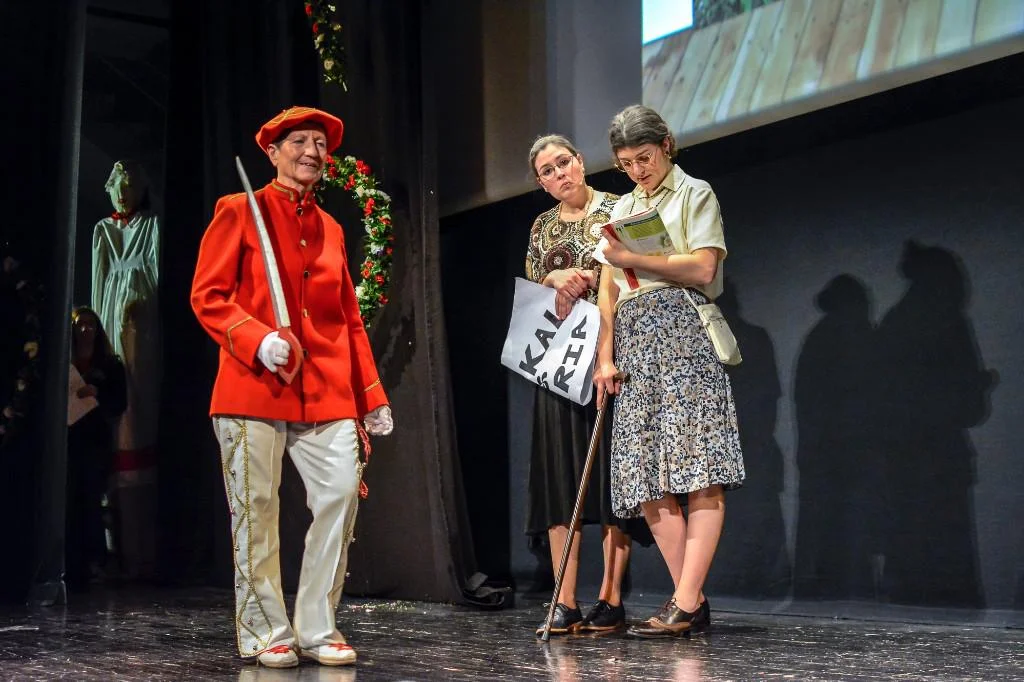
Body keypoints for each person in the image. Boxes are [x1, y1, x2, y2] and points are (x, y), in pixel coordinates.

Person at [190, 106, 394, 668]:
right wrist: (256, 339)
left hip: (325, 388)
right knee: (256, 510)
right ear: (273, 152)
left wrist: (370, 393)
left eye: (320, 144)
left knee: (340, 495)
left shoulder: (330, 228)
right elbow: (208, 295)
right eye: (300, 141)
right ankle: (266, 631)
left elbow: (347, 317)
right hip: (252, 385)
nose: (312, 152)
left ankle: (317, 626)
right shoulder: (239, 210)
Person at [593, 105, 745, 638]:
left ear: (666, 145)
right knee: (644, 475)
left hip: (682, 330)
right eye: (626, 163)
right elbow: (607, 291)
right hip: (634, 340)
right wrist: (605, 356)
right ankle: (690, 600)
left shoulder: (694, 193)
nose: (638, 170)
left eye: (645, 158)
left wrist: (636, 260)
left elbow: (703, 266)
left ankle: (684, 601)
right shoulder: (623, 208)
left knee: (698, 466)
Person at [525, 134, 647, 636]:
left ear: (579, 161)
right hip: (558, 357)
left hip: (611, 350)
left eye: (564, 163)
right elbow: (534, 281)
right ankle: (564, 600)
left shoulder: (618, 207)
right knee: (561, 476)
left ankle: (610, 598)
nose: (559, 174)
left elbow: (636, 272)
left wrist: (594, 280)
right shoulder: (541, 225)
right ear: (541, 182)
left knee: (610, 477)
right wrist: (555, 280)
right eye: (548, 171)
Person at [66, 307, 126, 590]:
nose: (85, 329)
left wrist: (97, 393)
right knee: (69, 501)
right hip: (68, 439)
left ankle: (94, 561)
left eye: (91, 324)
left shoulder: (110, 365)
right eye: (80, 324)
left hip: (95, 440)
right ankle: (70, 562)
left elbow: (120, 402)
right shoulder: (64, 362)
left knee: (91, 499)